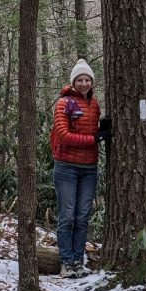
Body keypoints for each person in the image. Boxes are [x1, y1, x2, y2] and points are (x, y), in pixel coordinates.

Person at [49, 59, 111, 278]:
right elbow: (64, 136)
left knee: (82, 216)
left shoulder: (94, 104)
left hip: (89, 169)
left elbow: (91, 130)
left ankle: (78, 260)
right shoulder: (64, 103)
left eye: (87, 80)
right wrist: (94, 138)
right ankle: (66, 262)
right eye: (80, 80)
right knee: (67, 216)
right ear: (73, 82)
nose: (84, 83)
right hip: (66, 167)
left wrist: (101, 128)